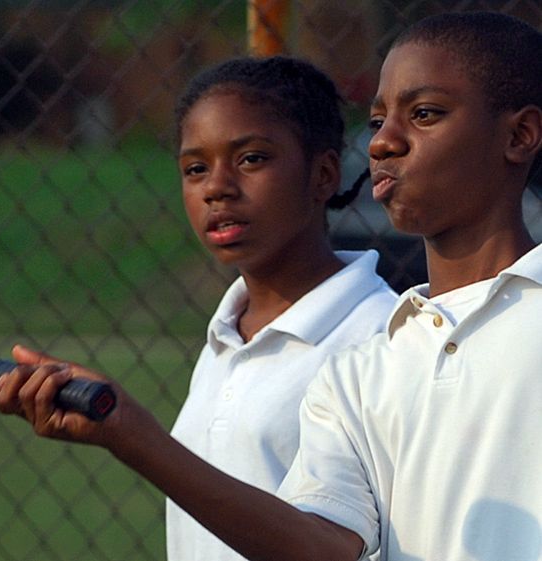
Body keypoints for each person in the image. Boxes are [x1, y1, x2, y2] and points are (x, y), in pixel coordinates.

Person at [0, 10, 542, 561]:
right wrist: (125, 430)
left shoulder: (378, 332)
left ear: (520, 135)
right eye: (377, 122)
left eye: (424, 114)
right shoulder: (361, 372)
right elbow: (324, 549)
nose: (382, 144)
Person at [165, 56, 397, 561]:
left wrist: (133, 438)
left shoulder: (381, 335)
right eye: (195, 169)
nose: (216, 188)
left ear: (323, 175)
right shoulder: (225, 337)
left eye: (251, 159)